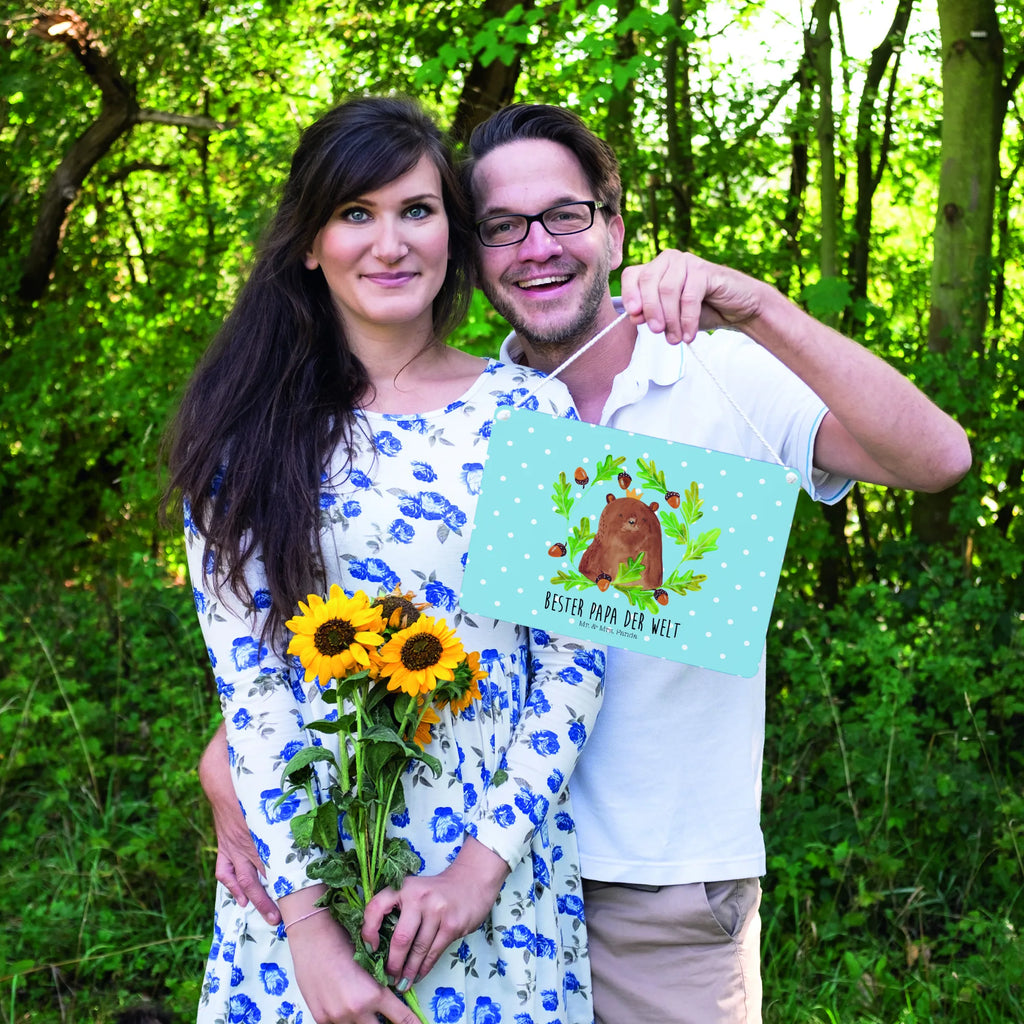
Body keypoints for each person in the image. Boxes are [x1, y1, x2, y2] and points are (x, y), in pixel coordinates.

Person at [202, 103, 972, 1024]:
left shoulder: (706, 375)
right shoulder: (450, 418)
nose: (537, 247)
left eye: (564, 216)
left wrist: (759, 306)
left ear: (612, 225)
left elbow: (938, 461)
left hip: (653, 887)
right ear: (475, 252)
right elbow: (335, 632)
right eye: (502, 227)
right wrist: (235, 770)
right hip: (430, 878)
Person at [164, 96, 608, 1024]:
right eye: (355, 214)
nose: (390, 242)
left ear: (452, 228)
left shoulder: (532, 416)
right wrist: (311, 936)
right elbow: (252, 691)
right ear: (309, 244)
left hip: (493, 887)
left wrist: (478, 873)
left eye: (417, 210)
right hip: (303, 887)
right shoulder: (245, 437)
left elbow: (572, 664)